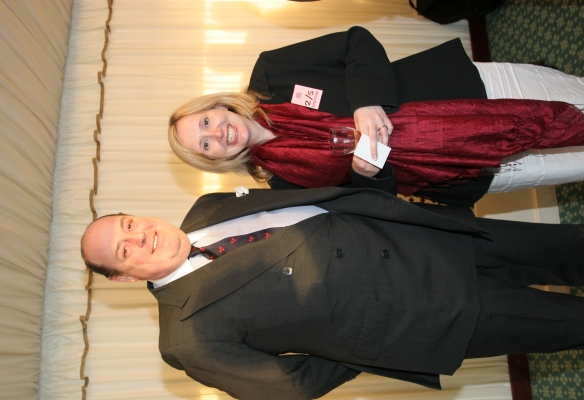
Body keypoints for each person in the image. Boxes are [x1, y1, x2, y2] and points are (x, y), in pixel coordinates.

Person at [81, 186, 584, 399]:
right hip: (425, 313)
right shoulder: (184, 339)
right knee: (563, 320)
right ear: (123, 278)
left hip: (428, 236)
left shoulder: (207, 205)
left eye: (129, 224)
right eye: (124, 250)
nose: (140, 237)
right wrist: (367, 342)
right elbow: (289, 387)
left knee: (565, 246)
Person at [168, 26, 584, 206]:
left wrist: (367, 102)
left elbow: (356, 43)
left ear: (216, 106)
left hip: (470, 92)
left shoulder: (272, 73)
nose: (217, 134)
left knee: (575, 100)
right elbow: (371, 205)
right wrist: (366, 174)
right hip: (467, 170)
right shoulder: (281, 184)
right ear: (214, 160)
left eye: (205, 122)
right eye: (205, 145)